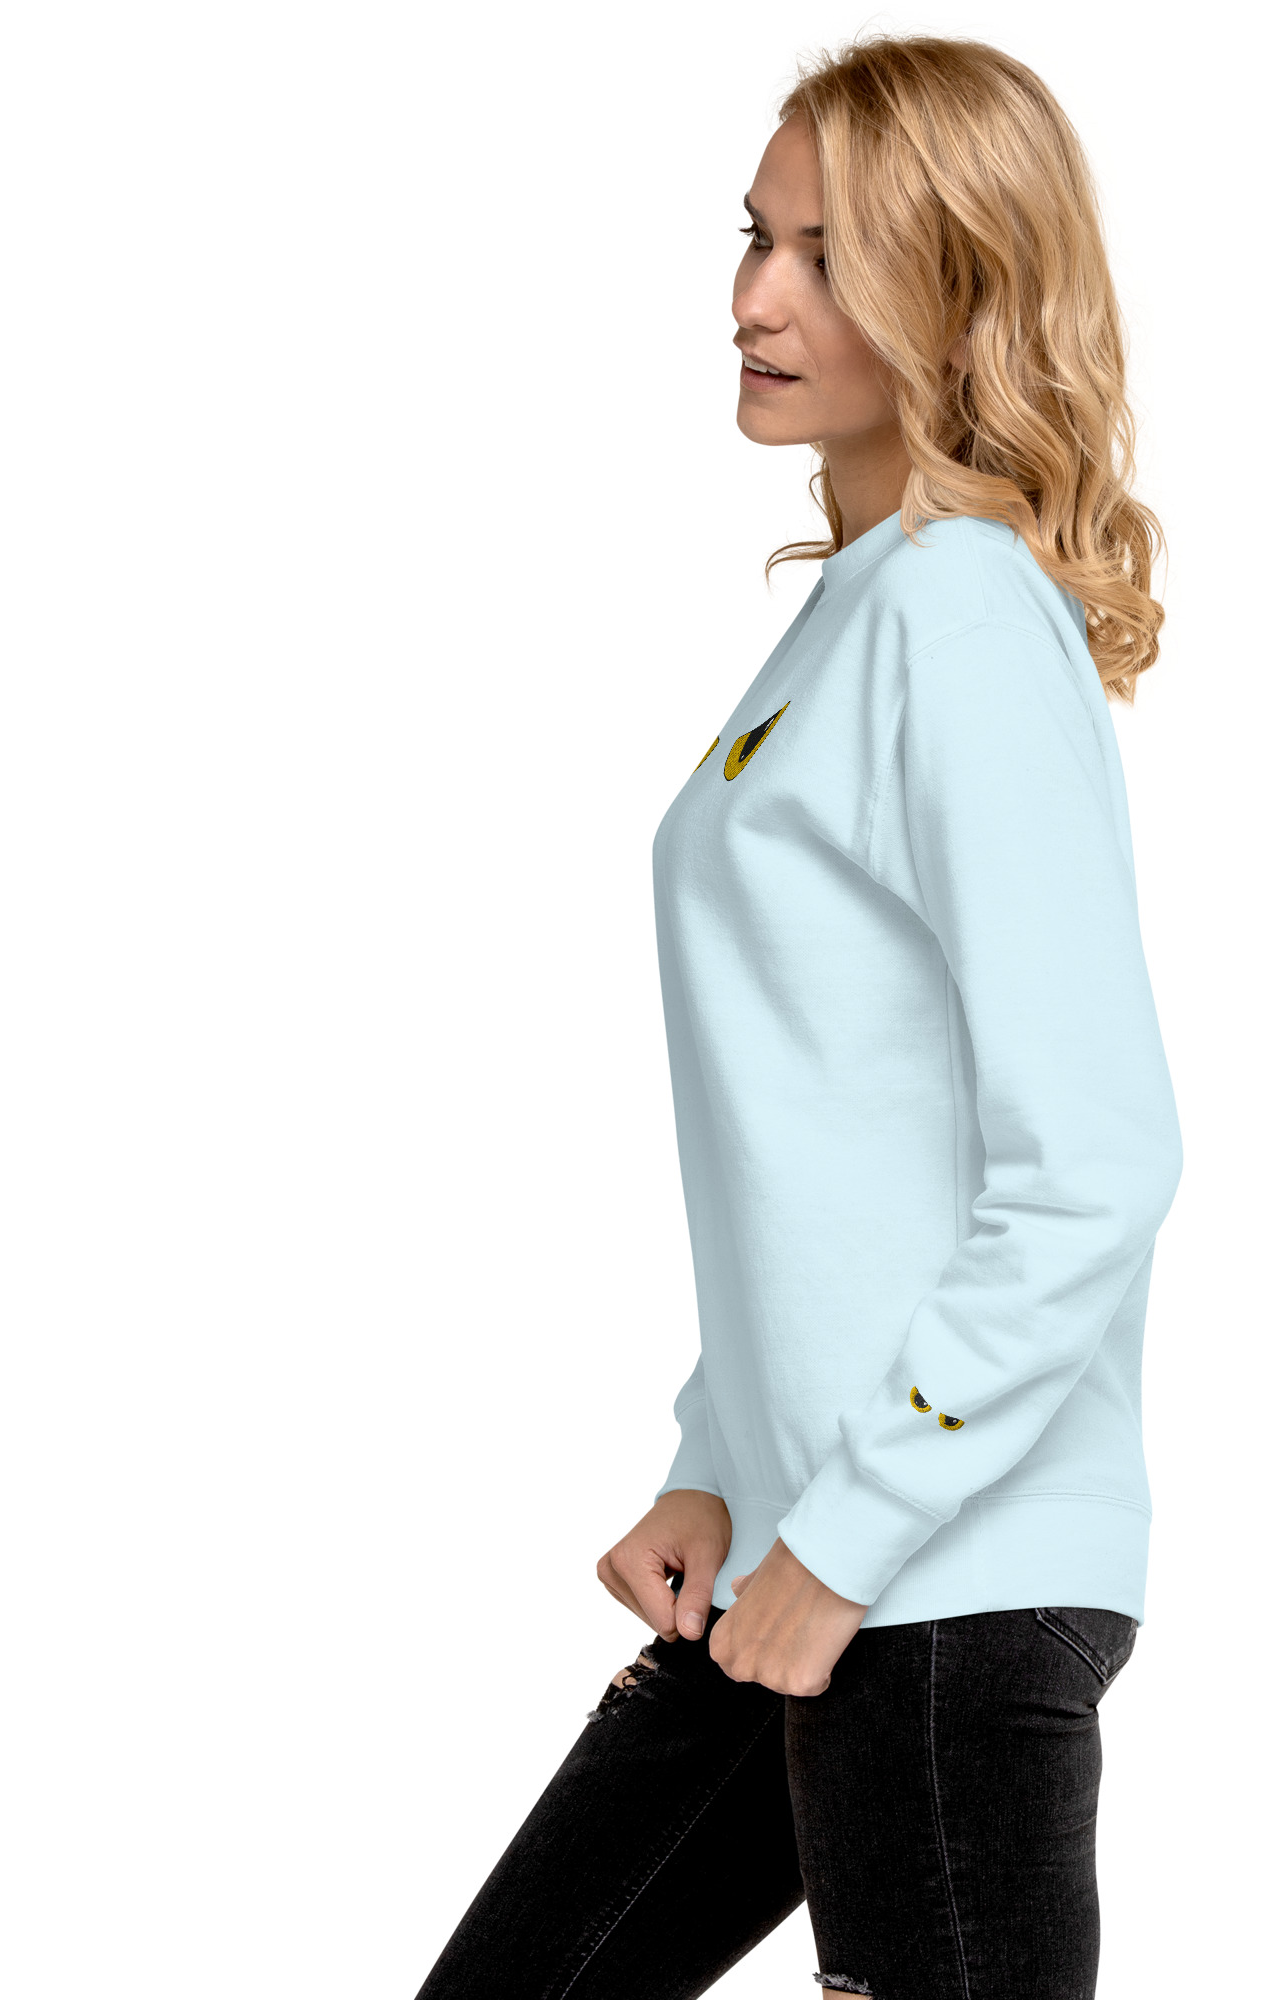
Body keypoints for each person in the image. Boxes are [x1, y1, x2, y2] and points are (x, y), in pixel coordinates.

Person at [415, 34, 1180, 2000]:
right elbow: (842, 1141)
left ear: (965, 292)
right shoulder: (859, 610)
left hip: (929, 1579)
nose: (756, 298)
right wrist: (720, 1457)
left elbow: (1093, 1165)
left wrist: (843, 1536)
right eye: (756, 238)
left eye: (833, 259)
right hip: (811, 1555)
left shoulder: (958, 615)